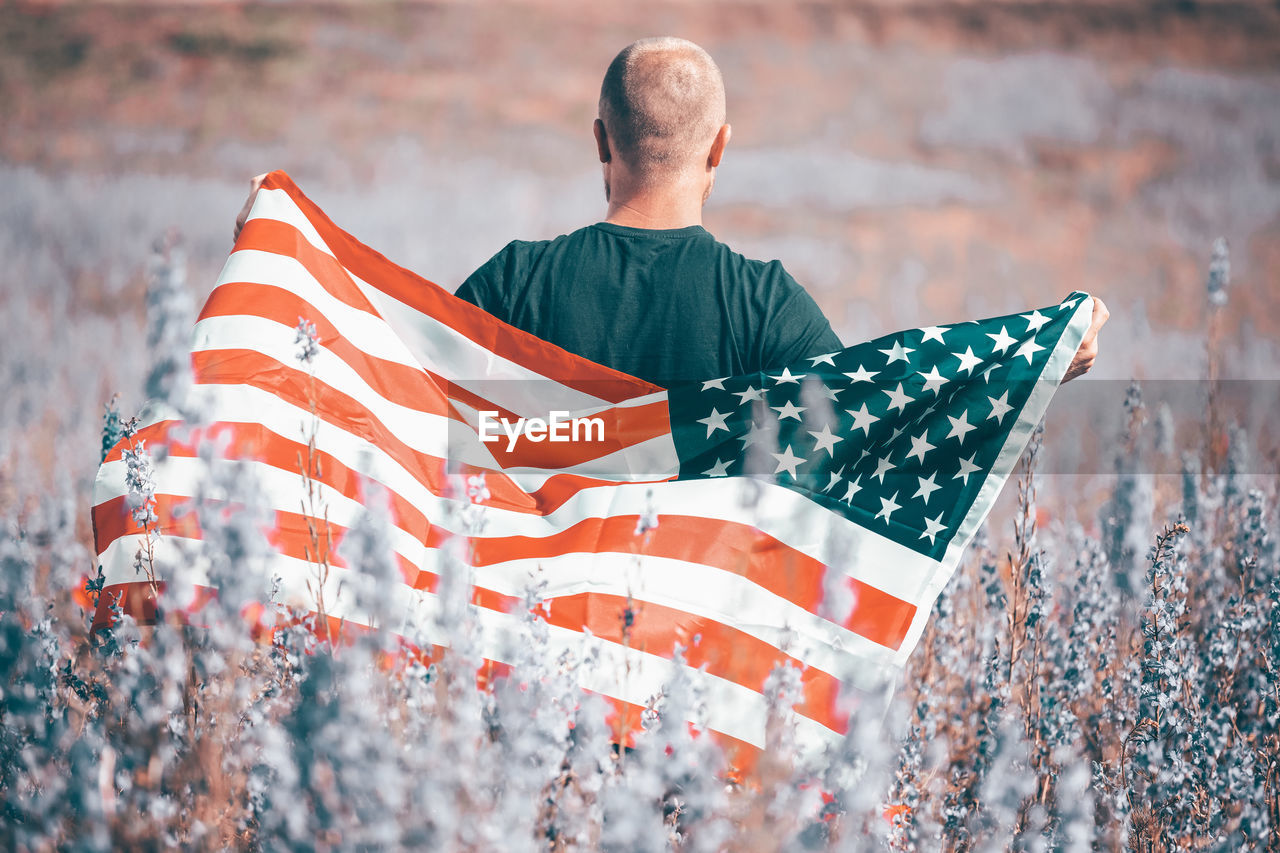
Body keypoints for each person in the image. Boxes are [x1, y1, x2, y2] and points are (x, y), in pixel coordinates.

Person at [234, 37, 1107, 387]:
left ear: (600, 142)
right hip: (696, 688)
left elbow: (383, 379)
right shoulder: (764, 306)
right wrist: (1031, 365)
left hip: (528, 675)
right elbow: (872, 420)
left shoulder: (513, 283)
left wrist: (276, 259)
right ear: (719, 147)